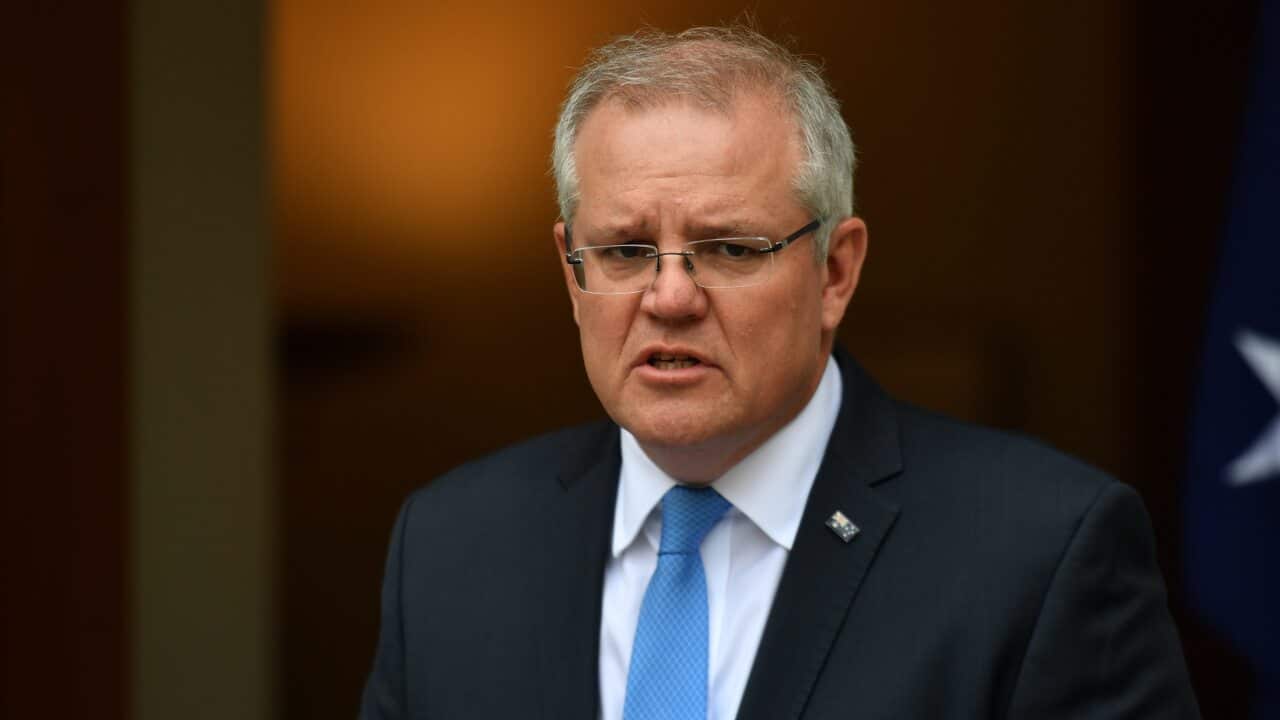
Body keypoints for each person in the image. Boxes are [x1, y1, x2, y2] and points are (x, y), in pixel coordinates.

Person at [360, 25, 1200, 720]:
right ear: (570, 269)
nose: (670, 296)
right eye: (623, 250)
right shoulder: (449, 547)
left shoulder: (1042, 553)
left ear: (835, 272)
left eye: (730, 248)